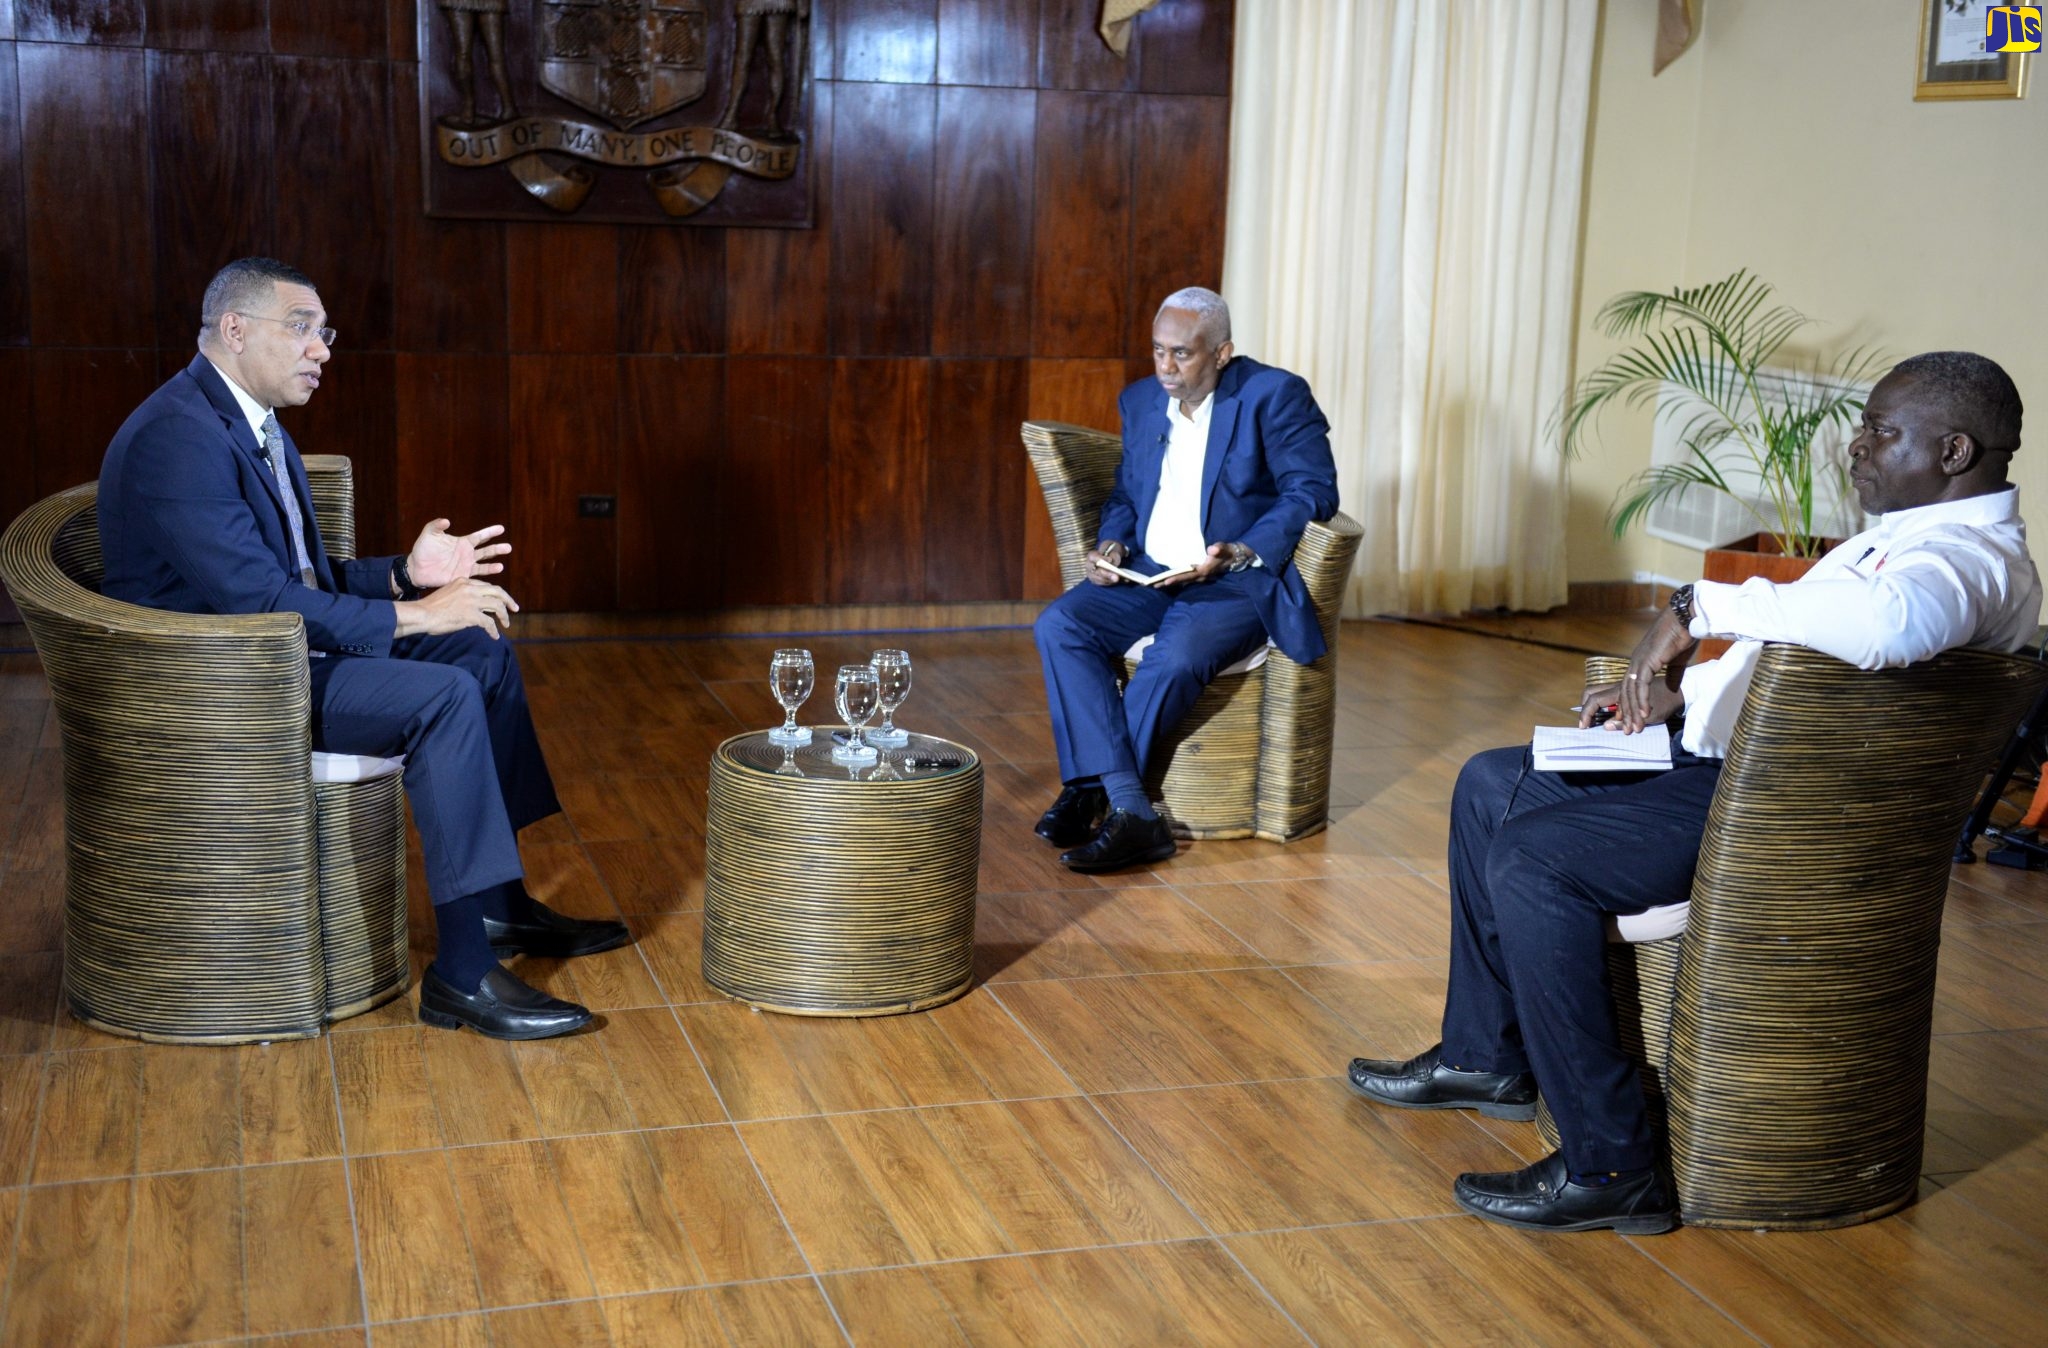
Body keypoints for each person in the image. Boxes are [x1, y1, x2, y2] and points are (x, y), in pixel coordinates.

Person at [1346, 351, 2042, 1234]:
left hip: (1782, 817)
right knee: (1493, 782)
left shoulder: (1972, 562)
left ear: (1953, 451)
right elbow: (1813, 674)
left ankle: (1613, 1166)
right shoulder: (1913, 536)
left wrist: (1695, 607)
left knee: (1535, 858)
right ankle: (1489, 1058)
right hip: (1737, 764)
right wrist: (1686, 700)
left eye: (1881, 431)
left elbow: (1888, 627)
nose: (1856, 446)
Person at [98, 257, 628, 1041]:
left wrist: (404, 578)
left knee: (481, 655)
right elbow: (263, 605)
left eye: (326, 332)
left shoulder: (251, 424)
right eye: (302, 329)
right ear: (234, 330)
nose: (323, 351)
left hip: (279, 655)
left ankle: (500, 910)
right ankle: (462, 977)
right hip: (228, 684)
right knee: (442, 695)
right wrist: (418, 617)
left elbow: (299, 578)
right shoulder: (177, 438)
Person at [1031, 287, 1339, 872]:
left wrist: (1241, 549)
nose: (1166, 368)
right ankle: (1129, 810)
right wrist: (1112, 543)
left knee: (1174, 657)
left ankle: (1102, 796)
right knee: (1061, 624)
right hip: (1149, 573)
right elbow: (1126, 491)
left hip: (1234, 582)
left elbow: (1314, 489)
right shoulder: (1141, 400)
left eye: (1183, 354)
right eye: (1157, 352)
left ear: (1222, 353)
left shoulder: (1273, 396)